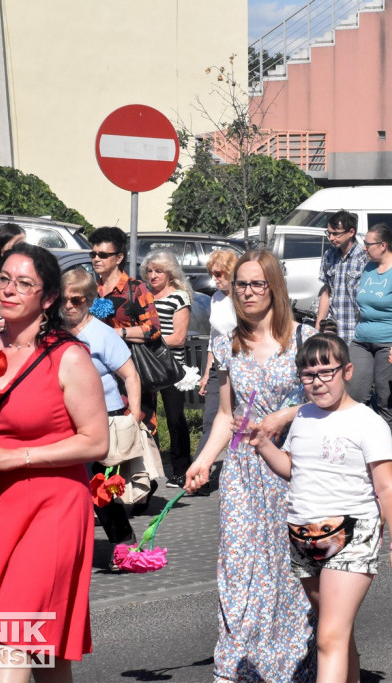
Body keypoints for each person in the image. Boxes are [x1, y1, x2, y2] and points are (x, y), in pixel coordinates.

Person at [0, 243, 108, 679]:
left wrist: (16, 457)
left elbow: (95, 442)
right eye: (4, 279)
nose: (9, 290)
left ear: (47, 299)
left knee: (16, 634)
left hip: (53, 505)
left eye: (24, 283)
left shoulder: (68, 356)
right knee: (47, 653)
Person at [244, 333, 392, 682]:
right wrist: (262, 445)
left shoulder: (367, 422)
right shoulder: (303, 417)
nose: (318, 383)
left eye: (326, 372)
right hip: (303, 536)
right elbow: (292, 469)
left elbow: (386, 486)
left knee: (329, 636)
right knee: (336, 631)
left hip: (353, 532)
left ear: (347, 371)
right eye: (308, 375)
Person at [184, 249, 316, 682]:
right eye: (241, 284)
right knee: (238, 568)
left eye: (257, 283)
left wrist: (285, 414)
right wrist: (203, 461)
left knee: (286, 571)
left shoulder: (304, 340)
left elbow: (332, 402)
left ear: (274, 287)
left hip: (291, 469)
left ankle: (286, 665)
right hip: (242, 470)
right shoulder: (226, 344)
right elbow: (226, 415)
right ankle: (236, 667)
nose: (248, 292)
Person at [61, 268, 140, 550]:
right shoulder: (56, 331)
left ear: (90, 300)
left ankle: (125, 545)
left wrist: (135, 420)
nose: (69, 305)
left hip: (105, 419)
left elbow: (130, 376)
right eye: (64, 299)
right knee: (71, 487)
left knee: (101, 489)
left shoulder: (102, 334)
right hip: (67, 421)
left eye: (77, 300)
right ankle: (71, 547)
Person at [89, 226, 161, 510]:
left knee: (136, 425)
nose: (97, 259)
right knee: (103, 429)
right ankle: (107, 490)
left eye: (103, 254)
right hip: (98, 372)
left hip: (131, 370)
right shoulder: (89, 289)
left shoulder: (135, 288)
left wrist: (117, 334)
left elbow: (153, 329)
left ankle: (144, 484)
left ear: (118, 257)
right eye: (93, 253)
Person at [348, 223, 392, 456]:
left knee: (387, 402)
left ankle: (390, 459)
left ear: (383, 245)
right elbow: (363, 305)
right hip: (362, 340)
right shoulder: (369, 268)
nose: (364, 249)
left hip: (391, 343)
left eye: (368, 245)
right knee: (355, 396)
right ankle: (363, 450)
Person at [143, 248, 194, 489]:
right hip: (146, 366)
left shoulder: (179, 297)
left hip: (172, 367)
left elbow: (179, 338)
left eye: (158, 271)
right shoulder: (143, 296)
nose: (152, 276)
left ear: (170, 273)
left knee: (175, 419)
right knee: (145, 418)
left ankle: (181, 470)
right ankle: (148, 471)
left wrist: (147, 339)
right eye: (149, 271)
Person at [193, 249, 238, 479]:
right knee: (211, 417)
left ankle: (239, 468)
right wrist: (206, 371)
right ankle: (202, 471)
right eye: (212, 274)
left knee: (241, 419)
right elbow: (213, 336)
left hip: (240, 363)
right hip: (218, 364)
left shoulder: (243, 297)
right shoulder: (216, 298)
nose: (216, 279)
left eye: (220, 273)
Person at [316, 210, 366, 344]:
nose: (331, 238)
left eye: (336, 234)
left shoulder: (364, 257)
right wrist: (318, 327)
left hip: (357, 331)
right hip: (334, 330)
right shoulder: (329, 255)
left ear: (351, 232)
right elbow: (326, 293)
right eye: (329, 233)